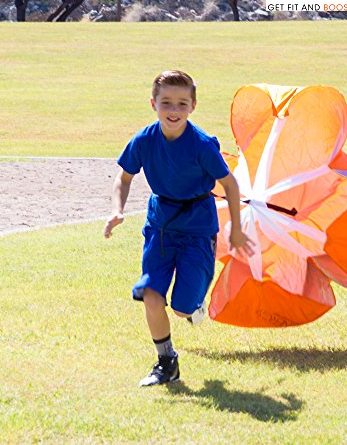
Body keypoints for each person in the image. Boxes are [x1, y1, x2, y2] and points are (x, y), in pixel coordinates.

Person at [104, 70, 253, 387]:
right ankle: (166, 361)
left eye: (182, 104)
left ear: (193, 106)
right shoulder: (144, 140)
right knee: (151, 294)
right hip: (160, 226)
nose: (173, 111)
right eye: (167, 103)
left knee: (185, 306)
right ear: (153, 103)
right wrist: (117, 210)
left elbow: (229, 184)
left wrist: (236, 230)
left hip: (197, 228)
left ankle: (194, 303)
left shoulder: (201, 145)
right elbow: (124, 177)